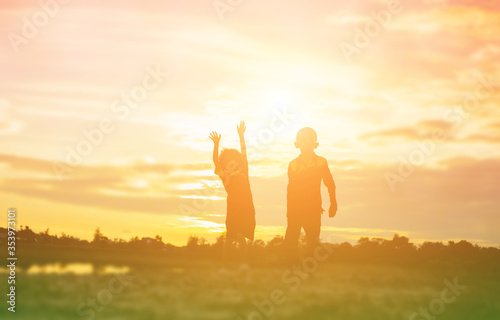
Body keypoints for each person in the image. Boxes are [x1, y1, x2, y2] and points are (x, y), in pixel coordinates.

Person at [284, 127, 337, 258]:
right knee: (291, 241)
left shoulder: (321, 162)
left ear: (316, 144)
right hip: (295, 210)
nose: (306, 142)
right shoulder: (293, 165)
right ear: (296, 144)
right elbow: (291, 189)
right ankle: (289, 265)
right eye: (302, 139)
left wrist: (333, 203)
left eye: (310, 139)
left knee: (312, 241)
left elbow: (329, 183)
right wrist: (289, 211)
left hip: (313, 209)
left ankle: (309, 271)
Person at [209, 121, 256, 262]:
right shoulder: (225, 177)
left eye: (234, 161)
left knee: (242, 238)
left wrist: (241, 135)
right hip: (233, 209)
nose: (233, 164)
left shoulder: (244, 172)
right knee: (230, 237)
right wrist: (216, 144)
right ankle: (226, 262)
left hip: (247, 209)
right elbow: (216, 163)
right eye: (228, 163)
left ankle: (243, 263)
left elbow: (244, 152)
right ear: (225, 167)